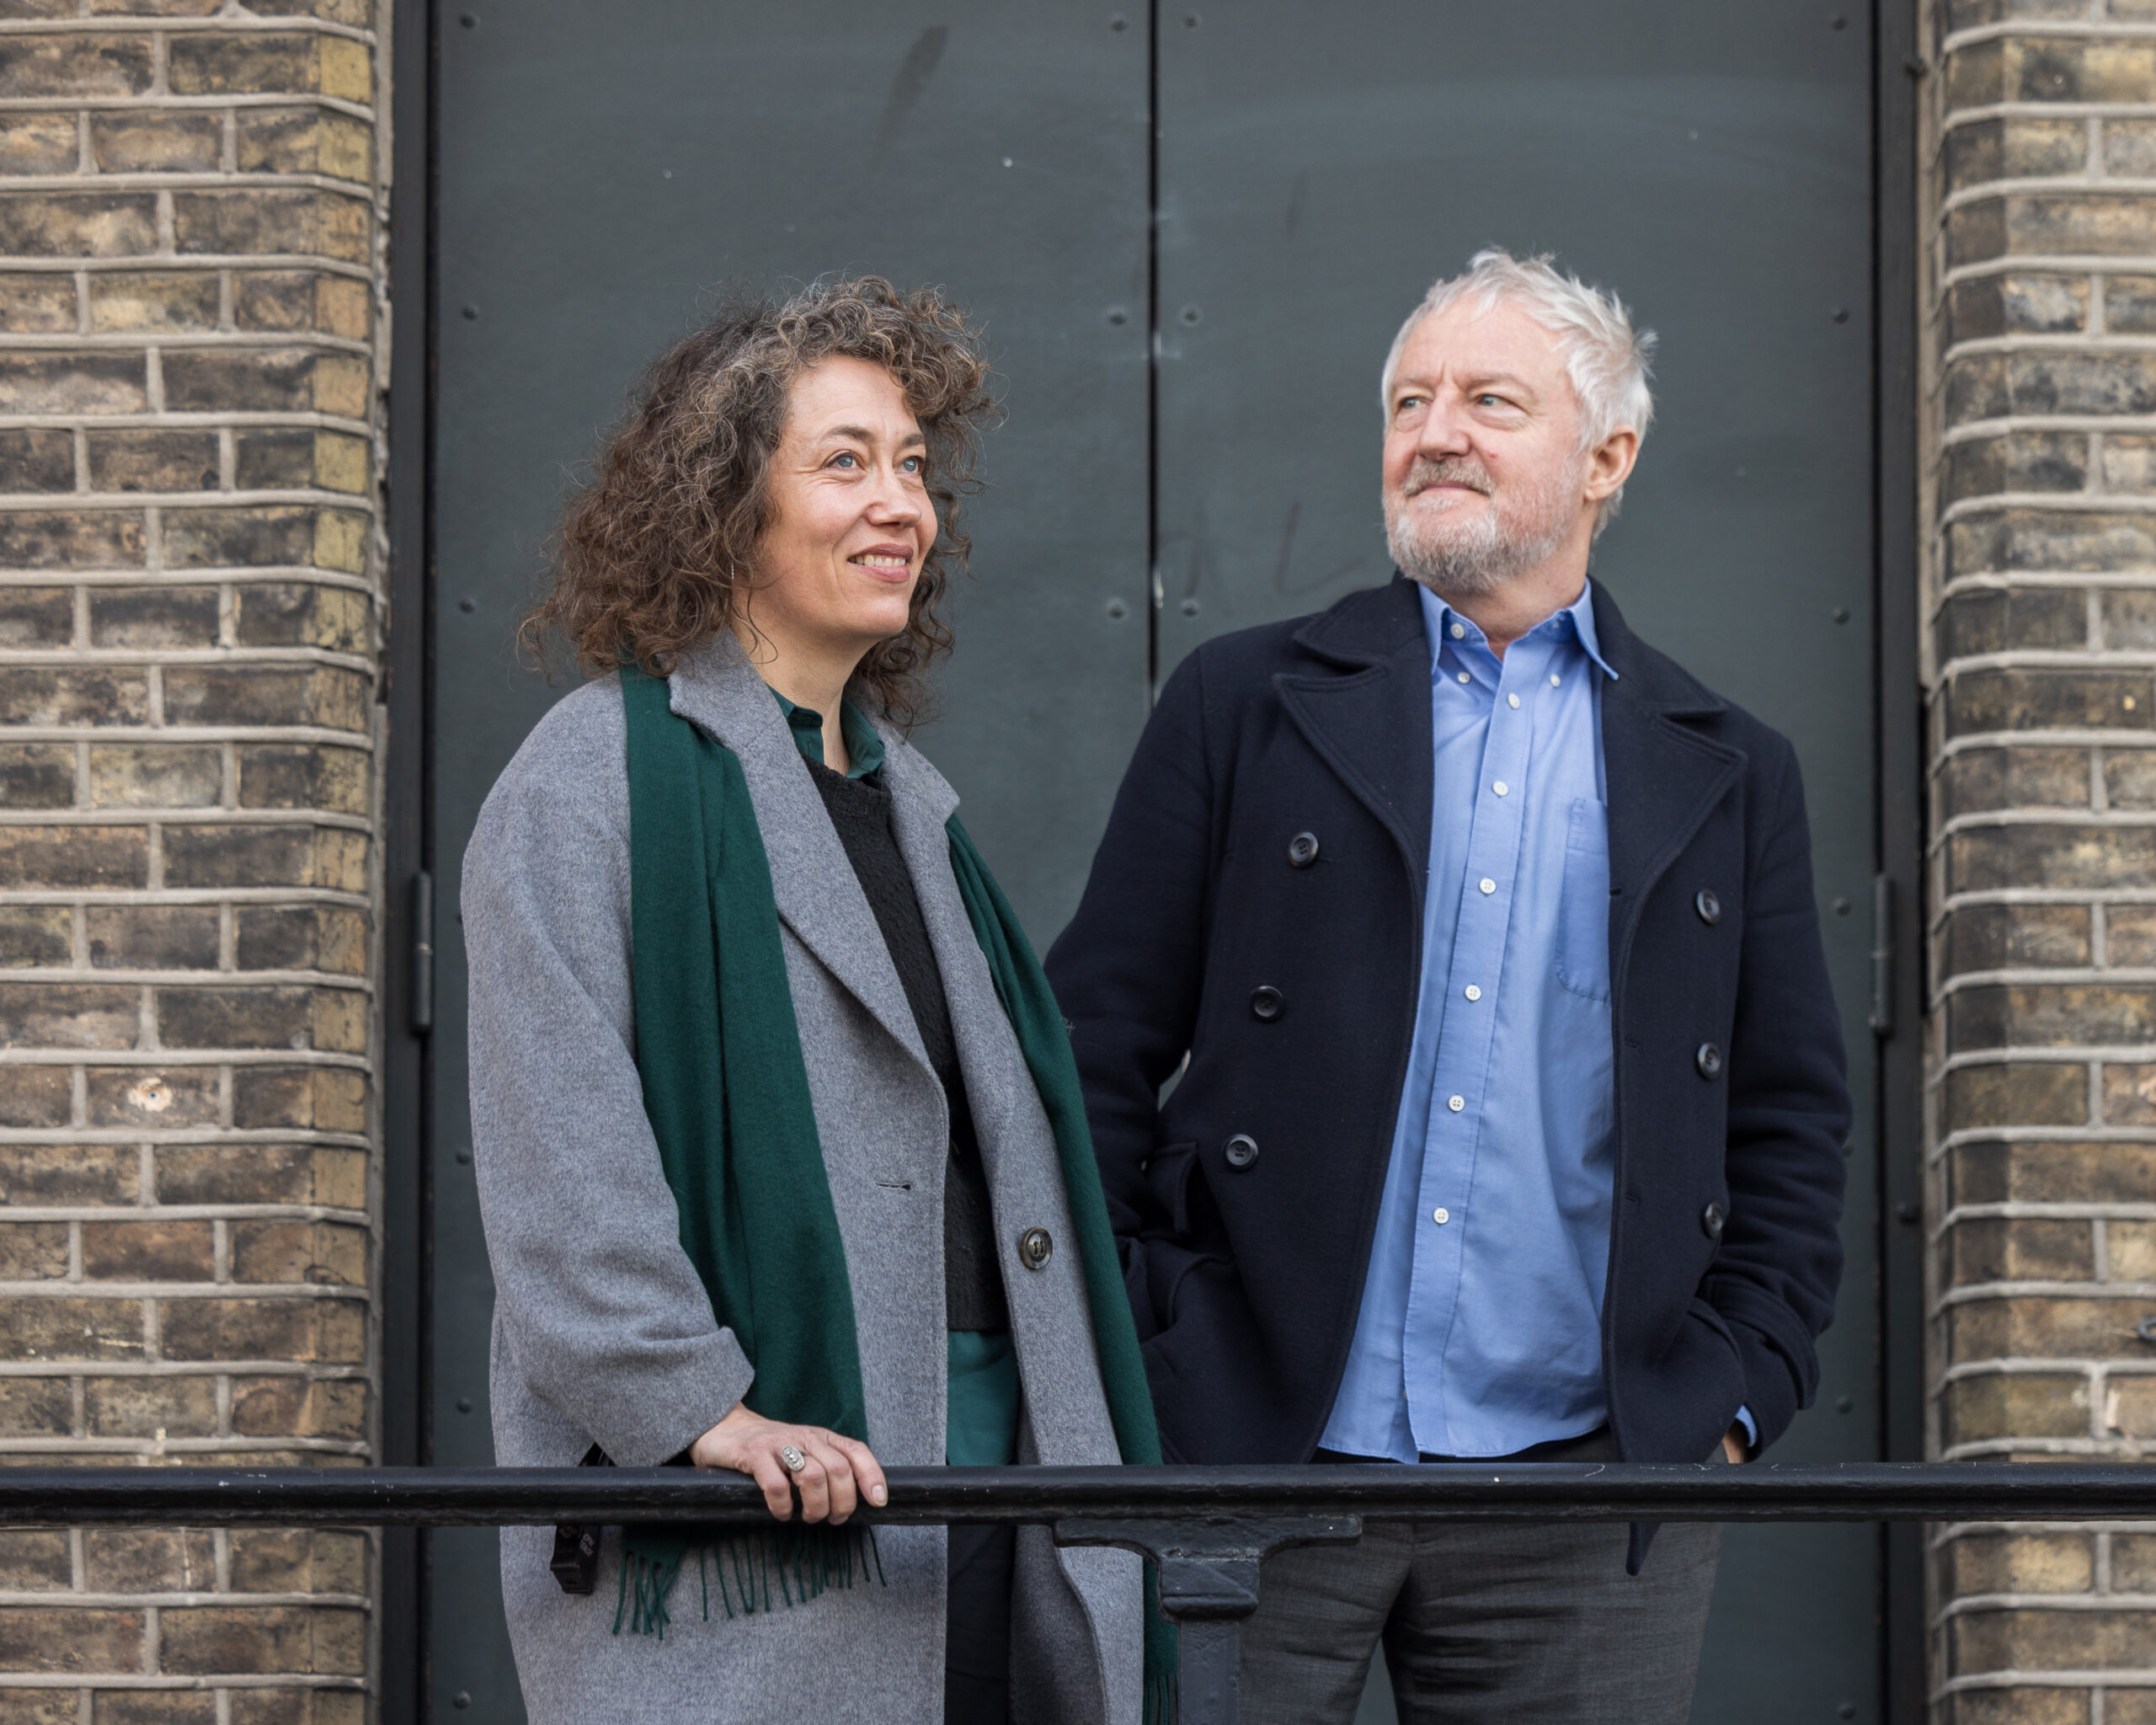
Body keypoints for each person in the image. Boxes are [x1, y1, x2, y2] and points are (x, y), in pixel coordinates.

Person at [1043, 249, 1850, 1722]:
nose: (1435, 431)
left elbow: (1792, 1122)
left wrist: (1726, 1400)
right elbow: (1091, 1042)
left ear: (1608, 456)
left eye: (1491, 399)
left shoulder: (1728, 767)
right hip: (1251, 1451)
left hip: (1584, 1493)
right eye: (1410, 401)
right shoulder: (1246, 703)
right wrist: (1148, 1345)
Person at [462, 277, 1161, 1725]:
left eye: (912, 465)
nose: (899, 502)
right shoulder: (594, 777)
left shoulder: (911, 803)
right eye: (843, 461)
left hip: (987, 1493)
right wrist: (693, 1409)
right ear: (728, 506)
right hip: (762, 1513)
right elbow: (559, 1154)